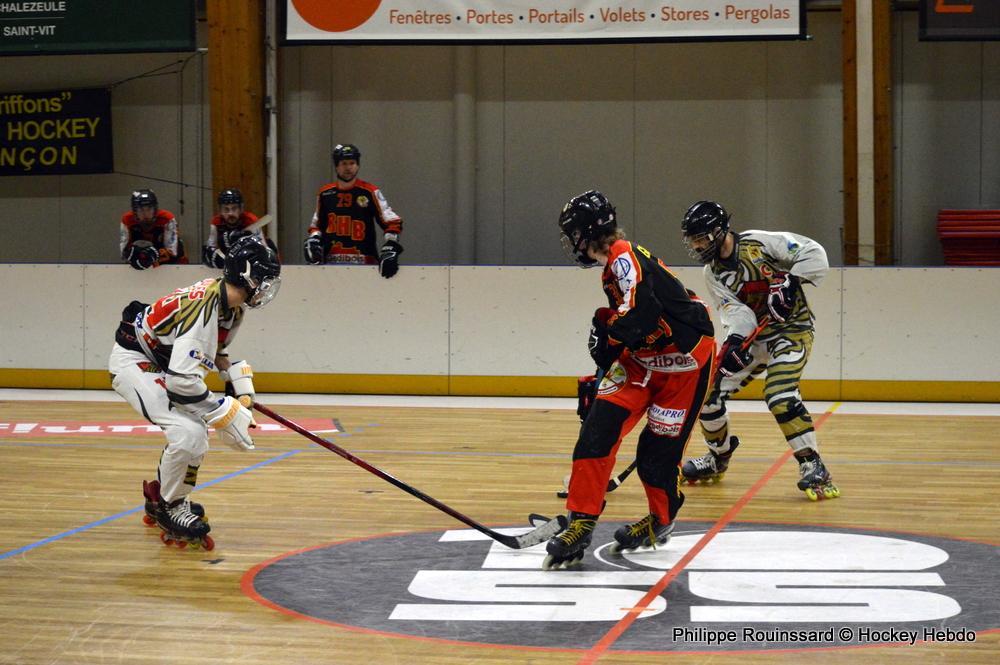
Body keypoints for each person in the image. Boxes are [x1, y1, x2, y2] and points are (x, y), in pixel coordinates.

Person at [545, 190, 716, 570]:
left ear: (584, 234)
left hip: (684, 368)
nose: (571, 243)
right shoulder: (613, 268)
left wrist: (607, 333)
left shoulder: (623, 254)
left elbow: (642, 313)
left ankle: (662, 518)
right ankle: (581, 520)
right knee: (597, 432)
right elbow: (631, 322)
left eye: (572, 234)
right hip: (641, 363)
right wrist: (603, 366)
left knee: (656, 457)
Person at [109, 235, 281, 549]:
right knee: (188, 432)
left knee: (195, 433)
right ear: (245, 274)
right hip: (136, 360)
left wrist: (239, 387)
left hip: (162, 359)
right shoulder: (206, 307)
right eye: (262, 278)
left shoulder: (231, 308)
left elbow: (216, 353)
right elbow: (181, 383)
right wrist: (223, 413)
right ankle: (169, 506)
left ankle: (167, 496)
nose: (266, 287)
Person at [678, 201, 840, 501]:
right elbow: (735, 312)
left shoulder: (759, 243)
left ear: (718, 232)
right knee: (706, 394)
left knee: (779, 394)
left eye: (701, 238)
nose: (697, 246)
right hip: (756, 339)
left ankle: (812, 463)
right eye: (693, 240)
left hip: (792, 330)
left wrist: (792, 280)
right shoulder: (712, 273)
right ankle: (718, 456)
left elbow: (813, 252)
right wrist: (735, 342)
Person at [303, 143, 404, 277]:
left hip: (366, 264)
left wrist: (391, 245)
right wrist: (314, 239)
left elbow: (392, 221)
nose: (348, 168)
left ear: (358, 165)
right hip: (330, 266)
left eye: (352, 163)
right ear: (336, 166)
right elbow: (316, 225)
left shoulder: (370, 191)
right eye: (344, 163)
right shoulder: (325, 193)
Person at [202, 188, 276, 269]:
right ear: (220, 211)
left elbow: (264, 248)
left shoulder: (250, 220)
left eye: (234, 208)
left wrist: (245, 239)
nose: (230, 213)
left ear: (240, 209)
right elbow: (211, 246)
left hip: (248, 264)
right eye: (226, 209)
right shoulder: (217, 222)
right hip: (226, 263)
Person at [120, 188, 186, 269]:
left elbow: (173, 251)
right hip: (138, 266)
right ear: (135, 211)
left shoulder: (166, 218)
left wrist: (156, 255)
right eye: (141, 210)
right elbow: (124, 252)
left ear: (155, 209)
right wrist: (132, 254)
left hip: (172, 266)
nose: (145, 214)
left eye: (149, 209)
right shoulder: (127, 220)